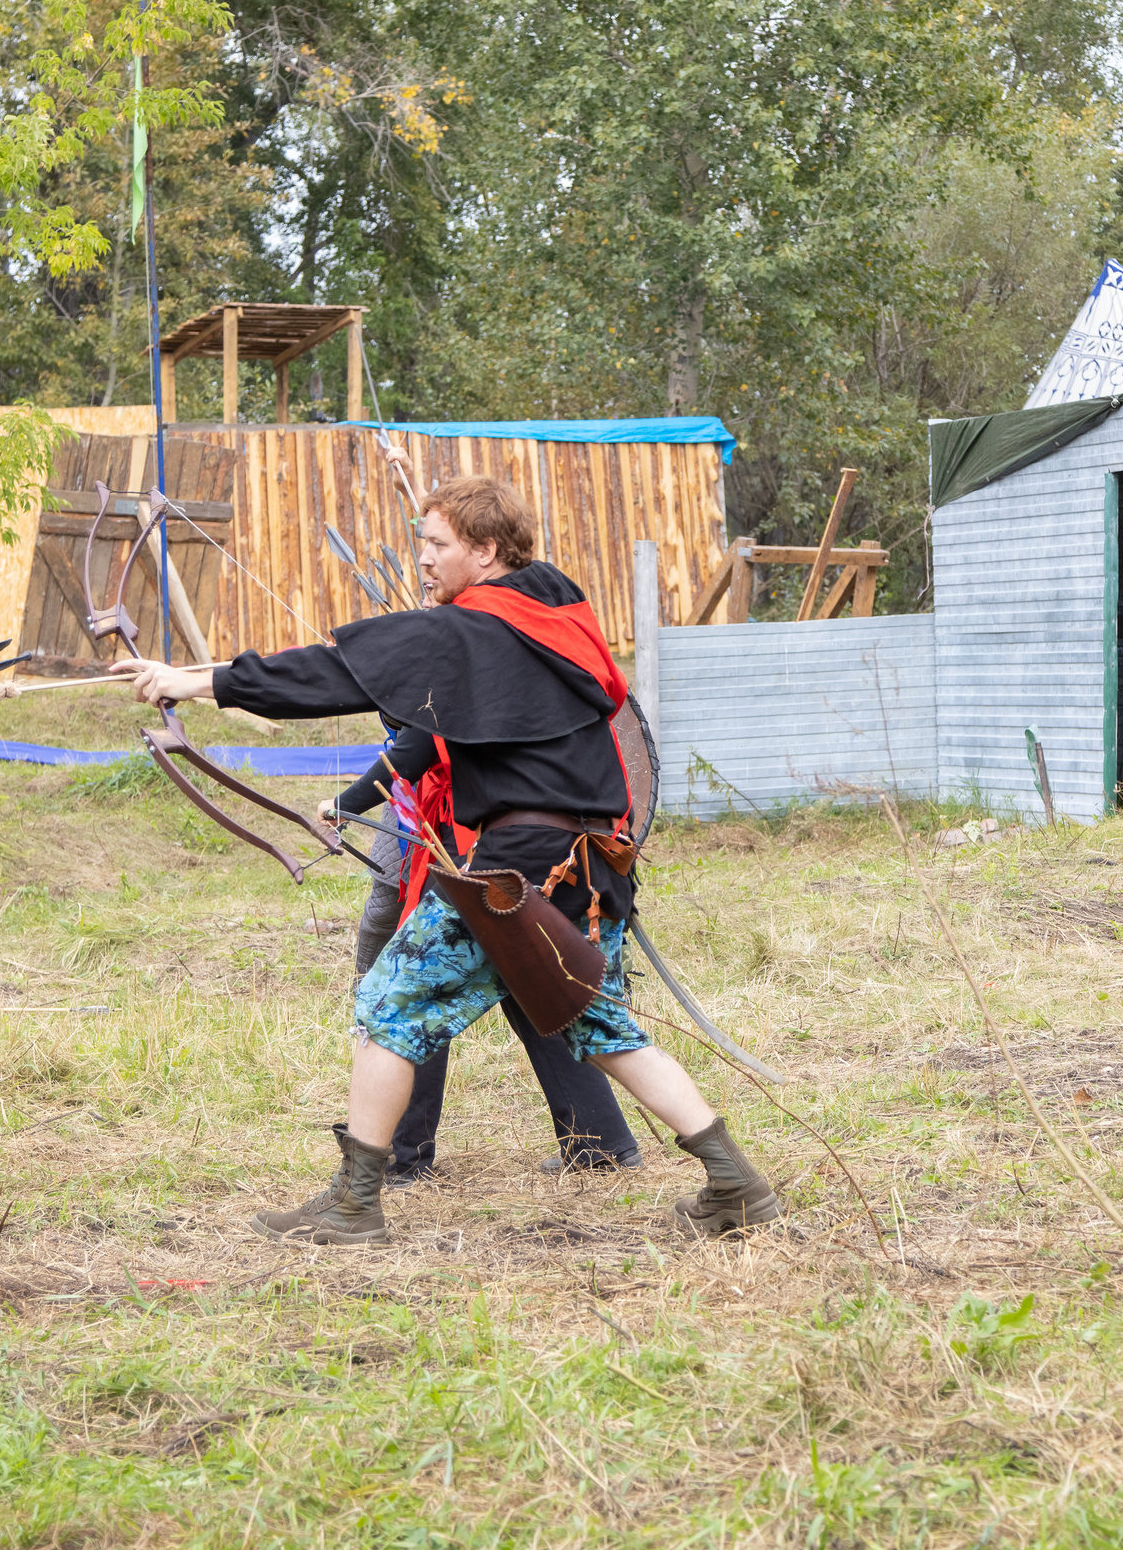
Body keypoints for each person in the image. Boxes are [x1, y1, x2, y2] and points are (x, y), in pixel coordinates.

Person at [118, 474, 778, 1245]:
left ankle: (354, 1202)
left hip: (521, 866)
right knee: (601, 1025)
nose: (423, 559)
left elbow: (336, 672)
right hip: (591, 863)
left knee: (387, 1003)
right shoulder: (554, 616)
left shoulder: (476, 630)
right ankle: (735, 1182)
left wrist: (194, 680)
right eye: (422, 543)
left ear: (486, 550)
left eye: (436, 544)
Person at [343, 750, 644, 1183]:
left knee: (417, 990)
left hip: (479, 833)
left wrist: (345, 803)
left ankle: (401, 1156)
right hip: (504, 826)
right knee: (525, 980)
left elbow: (419, 742)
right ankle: (598, 1139)